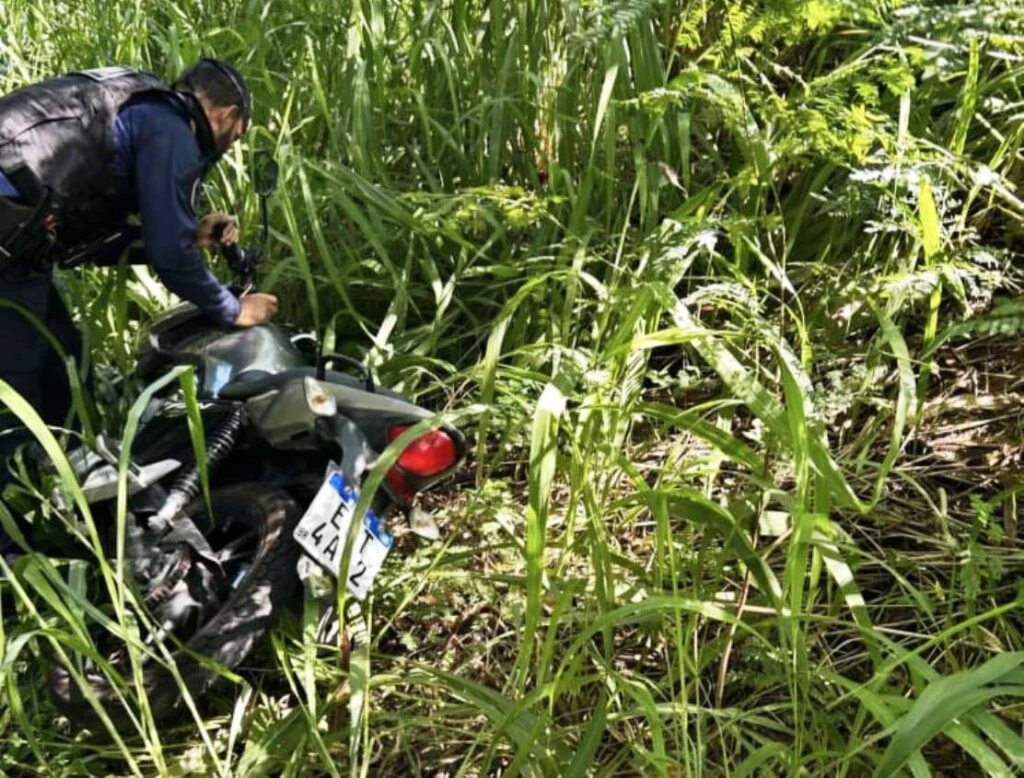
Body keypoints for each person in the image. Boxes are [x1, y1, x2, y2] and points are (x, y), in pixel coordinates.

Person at [0, 59, 279, 549]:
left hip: (18, 243)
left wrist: (190, 235)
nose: (230, 145)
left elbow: (96, 242)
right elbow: (169, 257)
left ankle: (65, 485)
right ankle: (13, 547)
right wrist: (232, 308)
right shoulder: (172, 127)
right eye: (237, 135)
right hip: (7, 239)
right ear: (226, 115)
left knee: (64, 358)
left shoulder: (138, 106)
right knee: (14, 389)